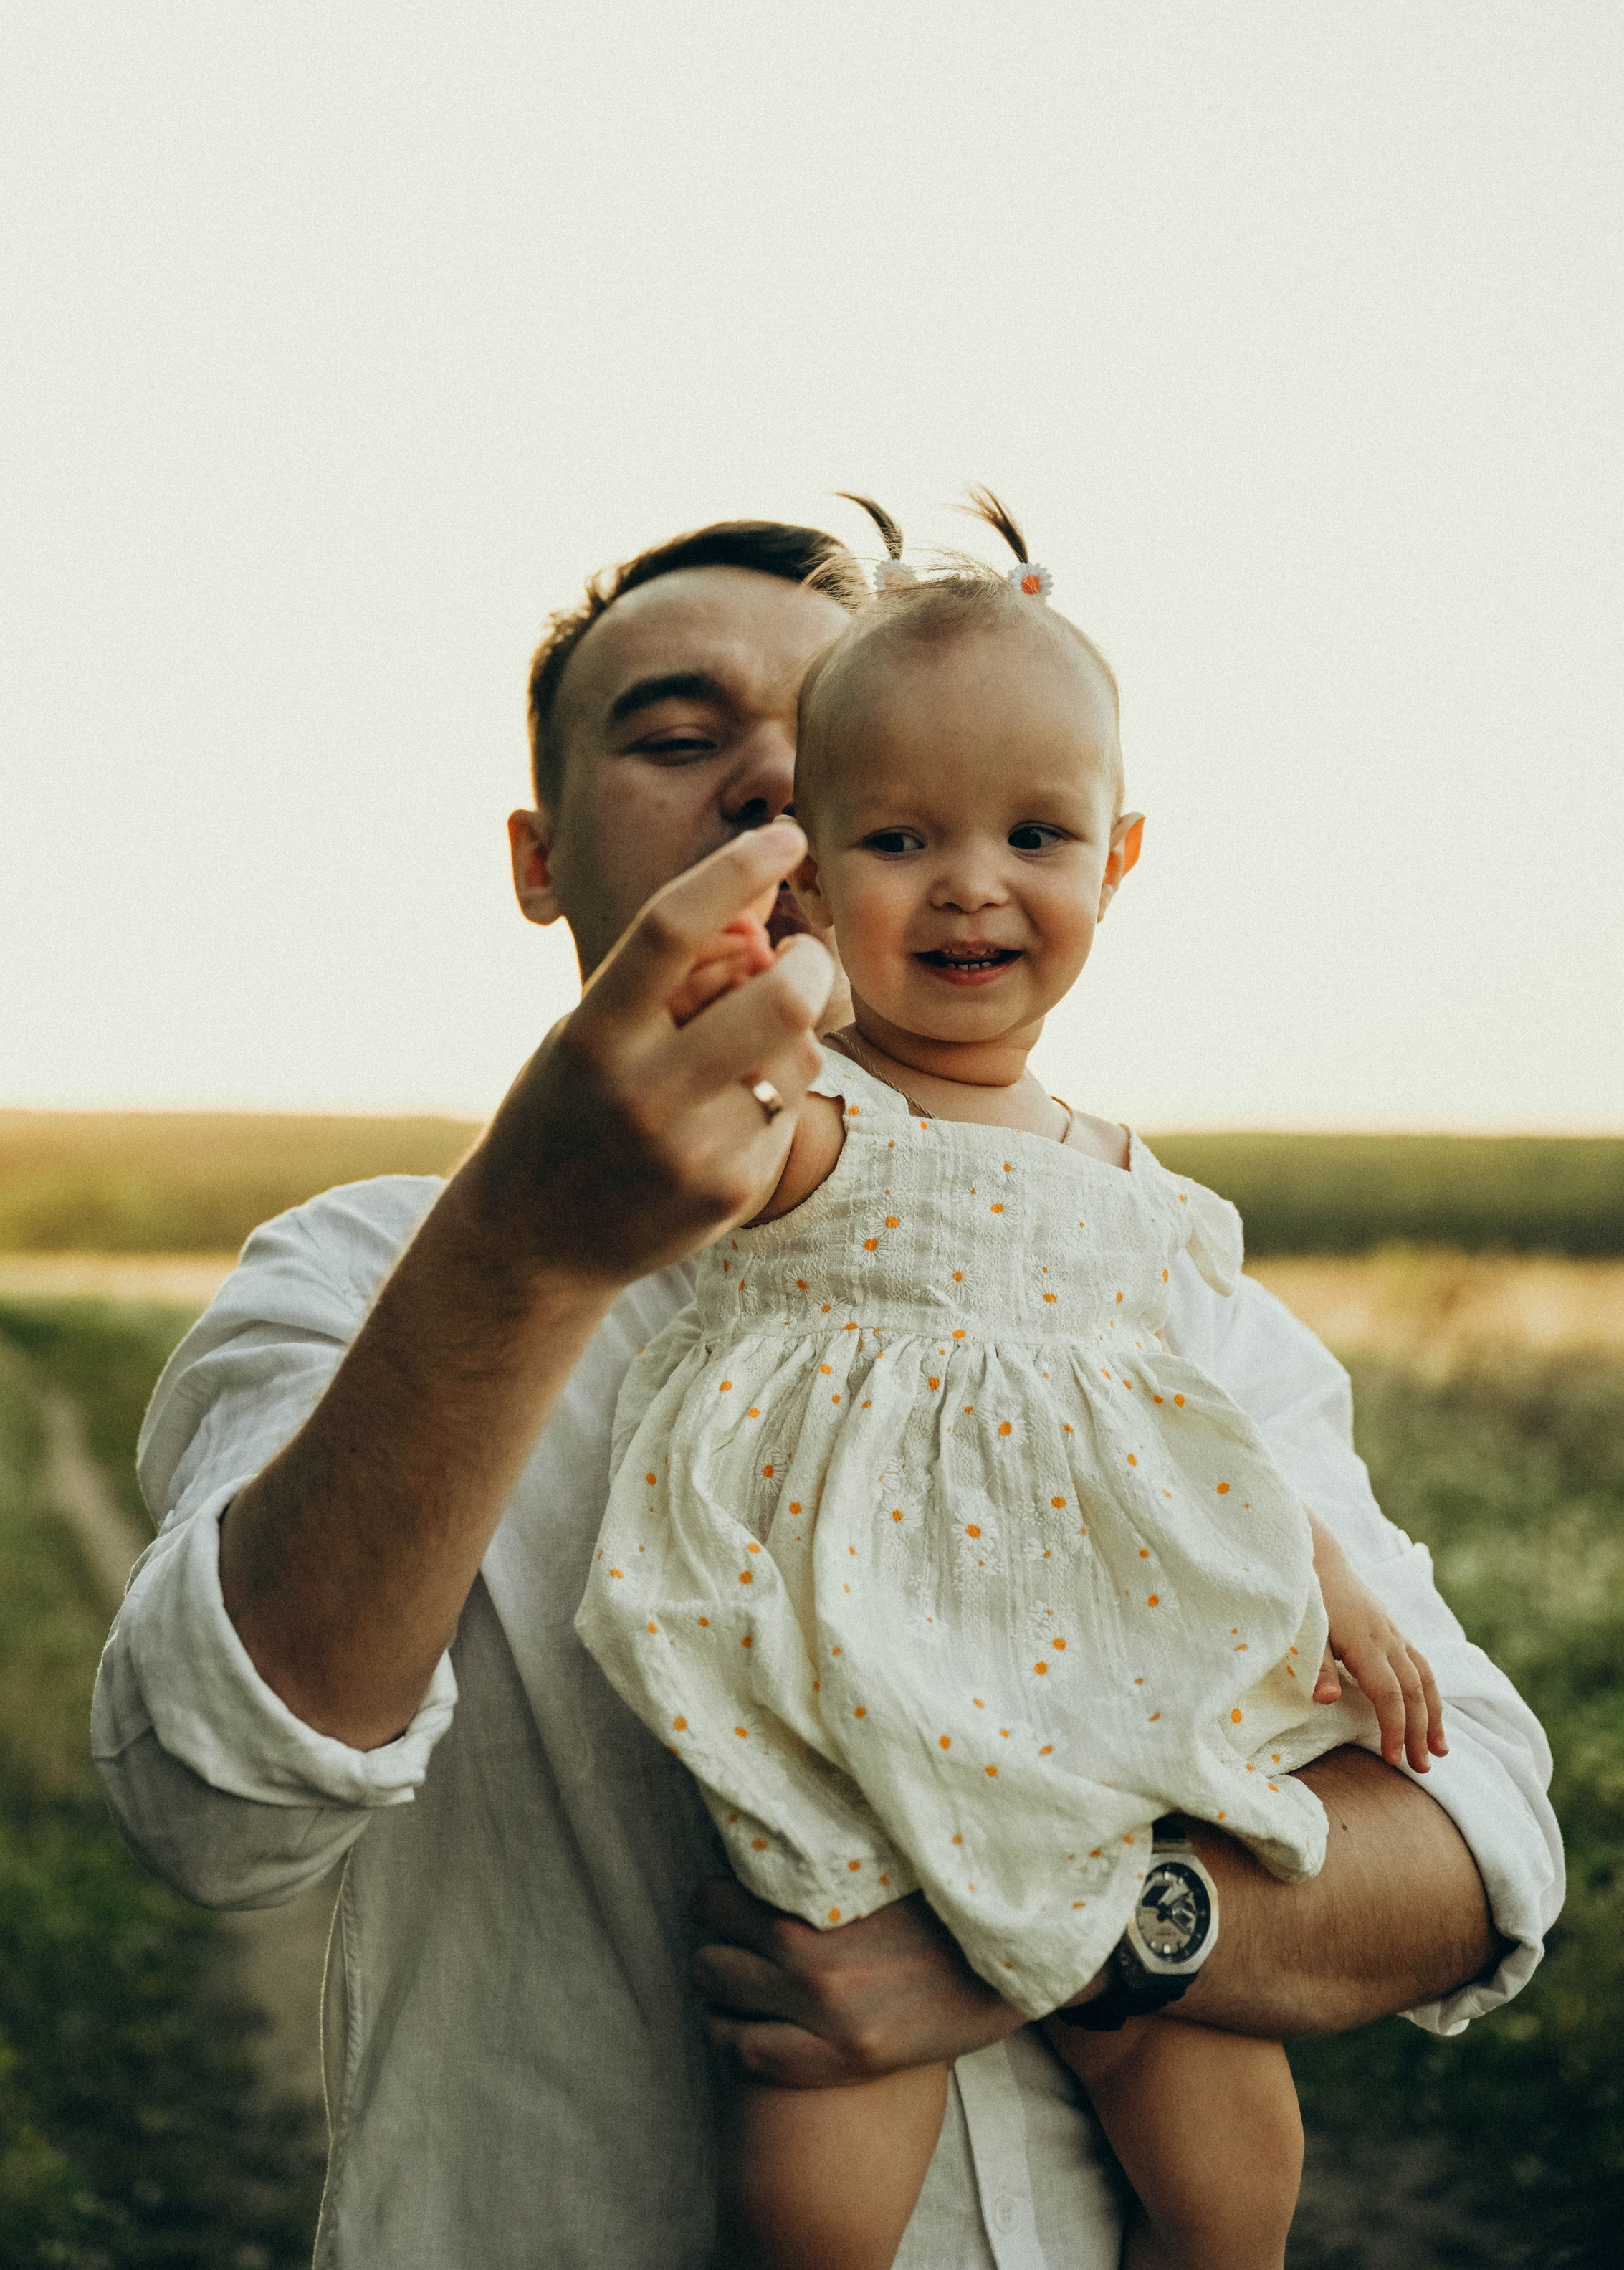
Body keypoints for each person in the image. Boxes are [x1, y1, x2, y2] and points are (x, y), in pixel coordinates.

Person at [93, 514, 1561, 2270]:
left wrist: (1068, 1930)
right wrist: (525, 1245)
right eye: (676, 734)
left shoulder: (1129, 1271)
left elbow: (1474, 1842)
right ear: (538, 854)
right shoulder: (367, 1277)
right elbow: (213, 1813)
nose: (769, 787)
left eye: (825, 736)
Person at [577, 495, 1447, 2270]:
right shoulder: (817, 1121)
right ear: (804, 876)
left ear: (1118, 860)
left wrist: (1333, 1588)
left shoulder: (1133, 1187)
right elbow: (659, 1145)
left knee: (1233, 2157)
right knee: (821, 2170)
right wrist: (739, 985)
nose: (973, 882)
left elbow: (1182, 1424)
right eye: (898, 838)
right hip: (867, 1683)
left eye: (1034, 833)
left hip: (1102, 1719)